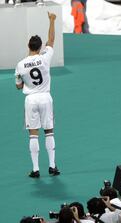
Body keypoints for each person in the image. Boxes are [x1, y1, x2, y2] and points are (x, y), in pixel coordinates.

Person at [14, 12, 60, 178]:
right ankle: (52, 166)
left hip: (31, 99)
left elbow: (19, 86)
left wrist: (22, 81)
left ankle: (35, 169)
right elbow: (52, 40)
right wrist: (52, 20)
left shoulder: (20, 64)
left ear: (29, 46)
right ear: (41, 47)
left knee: (33, 134)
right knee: (49, 132)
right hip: (46, 97)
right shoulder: (45, 57)